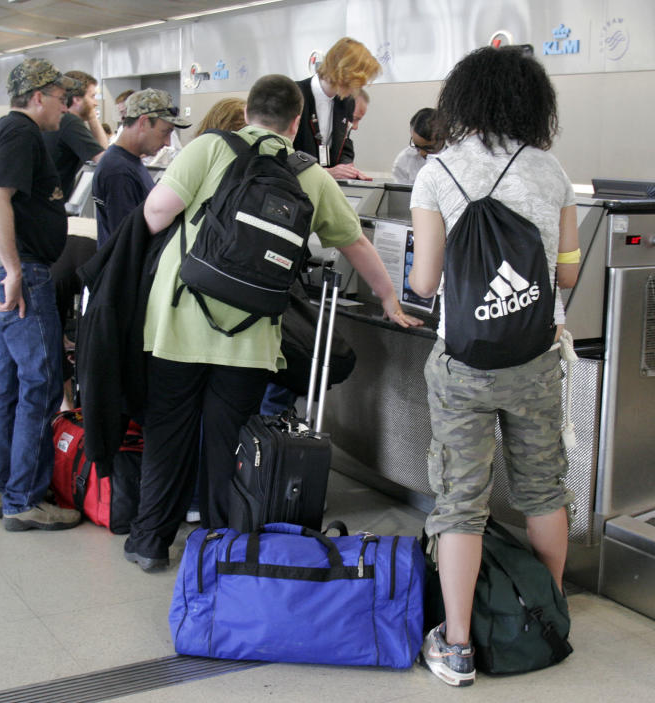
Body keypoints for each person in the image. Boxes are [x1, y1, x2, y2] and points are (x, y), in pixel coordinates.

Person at [124, 73, 422, 572]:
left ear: (247, 113)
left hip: (179, 318)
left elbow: (155, 214)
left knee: (168, 433)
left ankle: (149, 541)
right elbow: (356, 244)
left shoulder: (209, 150)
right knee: (229, 438)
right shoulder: (310, 172)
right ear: (298, 121)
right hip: (251, 332)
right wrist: (390, 299)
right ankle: (221, 545)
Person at [408, 46, 580, 688]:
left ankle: (456, 647)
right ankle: (546, 614)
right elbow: (566, 270)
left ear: (463, 101)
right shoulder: (550, 170)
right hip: (535, 357)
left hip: (465, 364)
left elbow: (425, 282)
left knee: (460, 503)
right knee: (542, 489)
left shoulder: (436, 172)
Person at [0, 58, 82, 531]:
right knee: (42, 381)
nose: (67, 107)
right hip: (21, 275)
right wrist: (11, 269)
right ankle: (24, 500)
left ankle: (8, 488)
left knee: (8, 383)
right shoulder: (19, 133)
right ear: (37, 97)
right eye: (61, 98)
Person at [91, 88, 191, 247]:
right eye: (165, 132)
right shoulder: (118, 171)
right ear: (144, 122)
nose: (168, 143)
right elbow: (128, 241)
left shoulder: (128, 161)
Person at [293, 37, 378, 181]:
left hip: (326, 186)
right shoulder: (294, 94)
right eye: (358, 82)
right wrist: (323, 172)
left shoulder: (346, 102)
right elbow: (282, 151)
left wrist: (347, 170)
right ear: (344, 73)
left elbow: (345, 144)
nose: (359, 87)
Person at [42, 70, 107, 199]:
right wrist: (93, 118)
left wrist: (92, 118)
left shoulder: (61, 120)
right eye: (92, 96)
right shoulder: (70, 122)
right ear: (77, 99)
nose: (96, 103)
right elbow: (104, 160)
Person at [393, 107, 443, 184]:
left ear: (443, 138)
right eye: (417, 146)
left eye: (428, 148)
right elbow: (401, 195)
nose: (422, 153)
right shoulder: (403, 161)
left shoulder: (456, 158)